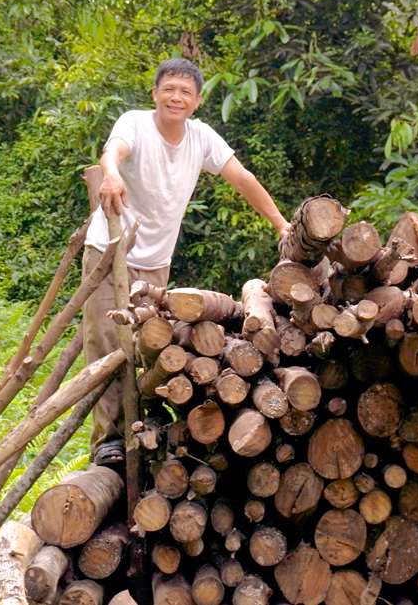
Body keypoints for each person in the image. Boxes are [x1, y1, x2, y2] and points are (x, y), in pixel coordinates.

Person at [81, 58, 291, 468]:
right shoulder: (136, 123)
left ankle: (140, 434)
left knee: (147, 348)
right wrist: (111, 174)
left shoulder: (202, 137)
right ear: (155, 94)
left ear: (196, 101)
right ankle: (107, 443)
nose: (176, 98)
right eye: (169, 89)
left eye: (185, 92)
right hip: (110, 251)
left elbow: (242, 178)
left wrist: (281, 224)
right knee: (105, 342)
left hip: (156, 263)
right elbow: (113, 151)